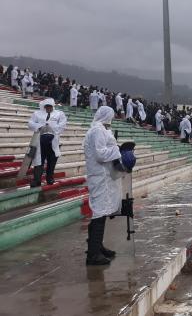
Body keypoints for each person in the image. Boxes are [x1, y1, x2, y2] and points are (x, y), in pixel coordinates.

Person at [84, 106, 125, 266]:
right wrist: (117, 150)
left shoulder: (101, 130)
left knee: (101, 211)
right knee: (99, 212)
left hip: (104, 176)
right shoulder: (97, 131)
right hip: (100, 176)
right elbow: (101, 154)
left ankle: (97, 247)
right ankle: (93, 255)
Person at [27, 98, 68, 187]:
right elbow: (30, 123)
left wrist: (52, 127)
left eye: (50, 106)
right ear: (44, 106)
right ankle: (37, 180)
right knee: (39, 161)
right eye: (47, 106)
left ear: (53, 106)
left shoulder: (59, 114)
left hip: (53, 140)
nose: (48, 108)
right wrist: (39, 126)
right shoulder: (37, 113)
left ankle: (49, 178)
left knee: (52, 160)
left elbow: (63, 124)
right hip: (40, 140)